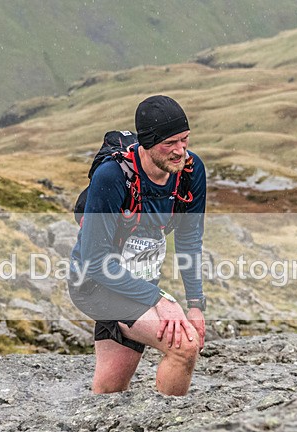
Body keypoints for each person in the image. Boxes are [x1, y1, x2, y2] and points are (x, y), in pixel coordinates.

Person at [68, 95, 207, 395]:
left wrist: (195, 304)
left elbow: (188, 239)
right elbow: (95, 261)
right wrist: (160, 299)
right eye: (170, 143)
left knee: (110, 391)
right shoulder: (113, 177)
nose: (180, 151)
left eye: (184, 140)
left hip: (137, 282)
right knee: (184, 347)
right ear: (147, 142)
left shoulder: (191, 172)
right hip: (94, 283)